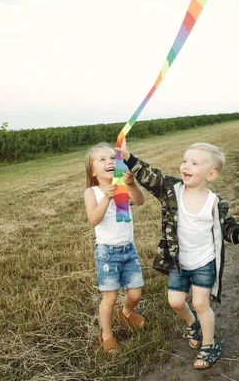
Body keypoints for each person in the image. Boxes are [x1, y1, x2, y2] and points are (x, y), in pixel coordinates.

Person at [116, 139, 239, 369]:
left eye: (194, 163)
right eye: (185, 161)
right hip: (178, 262)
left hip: (204, 262)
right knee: (175, 302)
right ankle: (193, 324)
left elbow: (226, 225)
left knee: (201, 304)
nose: (186, 166)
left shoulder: (214, 202)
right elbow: (149, 177)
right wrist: (129, 158)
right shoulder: (172, 190)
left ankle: (210, 344)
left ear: (210, 176)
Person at [84, 142, 147, 355]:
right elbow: (94, 219)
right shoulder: (92, 192)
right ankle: (107, 335)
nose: (109, 161)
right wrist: (107, 198)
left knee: (135, 294)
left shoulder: (121, 186)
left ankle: (127, 313)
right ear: (92, 170)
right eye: (102, 159)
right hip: (107, 253)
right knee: (109, 298)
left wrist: (132, 185)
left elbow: (140, 201)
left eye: (112, 158)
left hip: (128, 250)